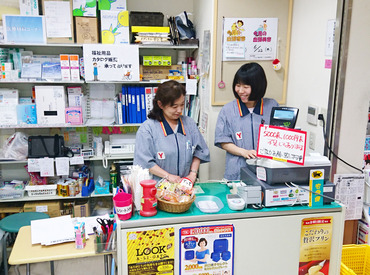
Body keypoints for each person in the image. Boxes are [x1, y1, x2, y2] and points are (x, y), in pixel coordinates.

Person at [134, 80, 210, 184]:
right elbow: (145, 162)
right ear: (160, 104)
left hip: (185, 187)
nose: (179, 110)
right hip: (159, 188)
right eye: (174, 106)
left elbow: (199, 151)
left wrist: (192, 174)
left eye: (182, 104)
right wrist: (168, 176)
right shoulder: (148, 129)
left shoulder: (189, 124)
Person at [214, 62, 279, 180]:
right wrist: (243, 152)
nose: (240, 91)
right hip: (237, 171)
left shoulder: (272, 106)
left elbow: (281, 136)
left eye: (246, 87)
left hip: (267, 169)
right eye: (238, 85)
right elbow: (223, 141)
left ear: (258, 86)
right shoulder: (228, 110)